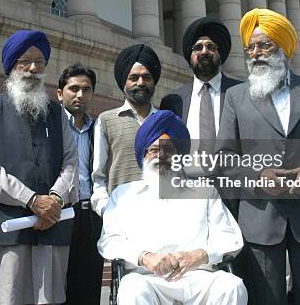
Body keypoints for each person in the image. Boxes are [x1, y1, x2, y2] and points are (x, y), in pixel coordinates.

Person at [216, 8, 300, 305]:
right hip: (259, 219)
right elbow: (224, 158)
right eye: (251, 47)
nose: (256, 53)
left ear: (283, 47)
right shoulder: (236, 98)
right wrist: (258, 176)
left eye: (264, 45)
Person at [0, 30, 78, 305]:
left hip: (50, 228)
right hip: (6, 232)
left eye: (39, 62)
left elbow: (70, 161)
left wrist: (54, 199)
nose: (33, 69)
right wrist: (30, 199)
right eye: (25, 61)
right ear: (10, 66)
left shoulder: (56, 113)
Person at [98, 110, 247, 305]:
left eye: (168, 149)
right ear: (144, 154)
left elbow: (229, 237)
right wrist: (145, 257)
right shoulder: (123, 194)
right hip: (148, 279)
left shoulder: (204, 191)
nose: (161, 155)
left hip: (198, 277)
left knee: (232, 286)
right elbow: (110, 240)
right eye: (154, 150)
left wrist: (200, 255)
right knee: (132, 288)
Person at [160, 17, 242, 215]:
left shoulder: (241, 93)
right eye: (197, 48)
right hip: (188, 196)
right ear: (190, 56)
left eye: (211, 47)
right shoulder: (173, 101)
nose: (204, 51)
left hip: (235, 195)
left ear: (219, 53)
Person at [91, 44, 161, 216]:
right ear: (124, 82)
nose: (141, 83)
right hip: (120, 216)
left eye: (146, 77)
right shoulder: (106, 120)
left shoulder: (165, 121)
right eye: (134, 77)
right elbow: (98, 177)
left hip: (160, 216)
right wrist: (107, 210)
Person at [56, 63, 103, 305]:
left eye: (86, 89)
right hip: (58, 214)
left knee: (88, 286)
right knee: (56, 286)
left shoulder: (99, 129)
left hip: (90, 216)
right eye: (73, 88)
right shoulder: (49, 127)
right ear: (60, 93)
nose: (80, 95)